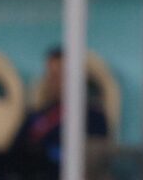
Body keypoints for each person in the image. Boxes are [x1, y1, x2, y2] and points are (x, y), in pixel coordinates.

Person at [7, 48, 110, 180]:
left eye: (58, 75)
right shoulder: (37, 115)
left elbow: (93, 162)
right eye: (50, 75)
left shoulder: (92, 117)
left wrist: (44, 153)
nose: (52, 81)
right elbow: (13, 153)